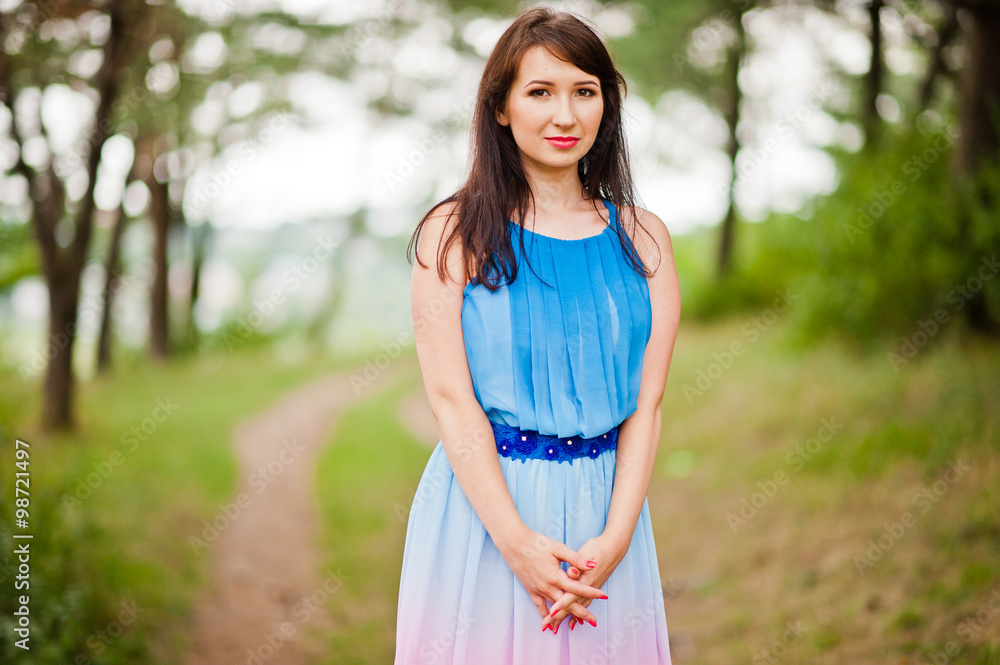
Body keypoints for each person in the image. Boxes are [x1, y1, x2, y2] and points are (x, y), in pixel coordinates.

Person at [396, 6, 680, 664]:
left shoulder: (644, 240)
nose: (565, 115)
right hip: (484, 514)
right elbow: (450, 399)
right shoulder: (453, 234)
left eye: (586, 92)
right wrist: (518, 542)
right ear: (500, 106)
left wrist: (615, 537)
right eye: (540, 91)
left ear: (607, 104)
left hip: (608, 517)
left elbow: (648, 404)